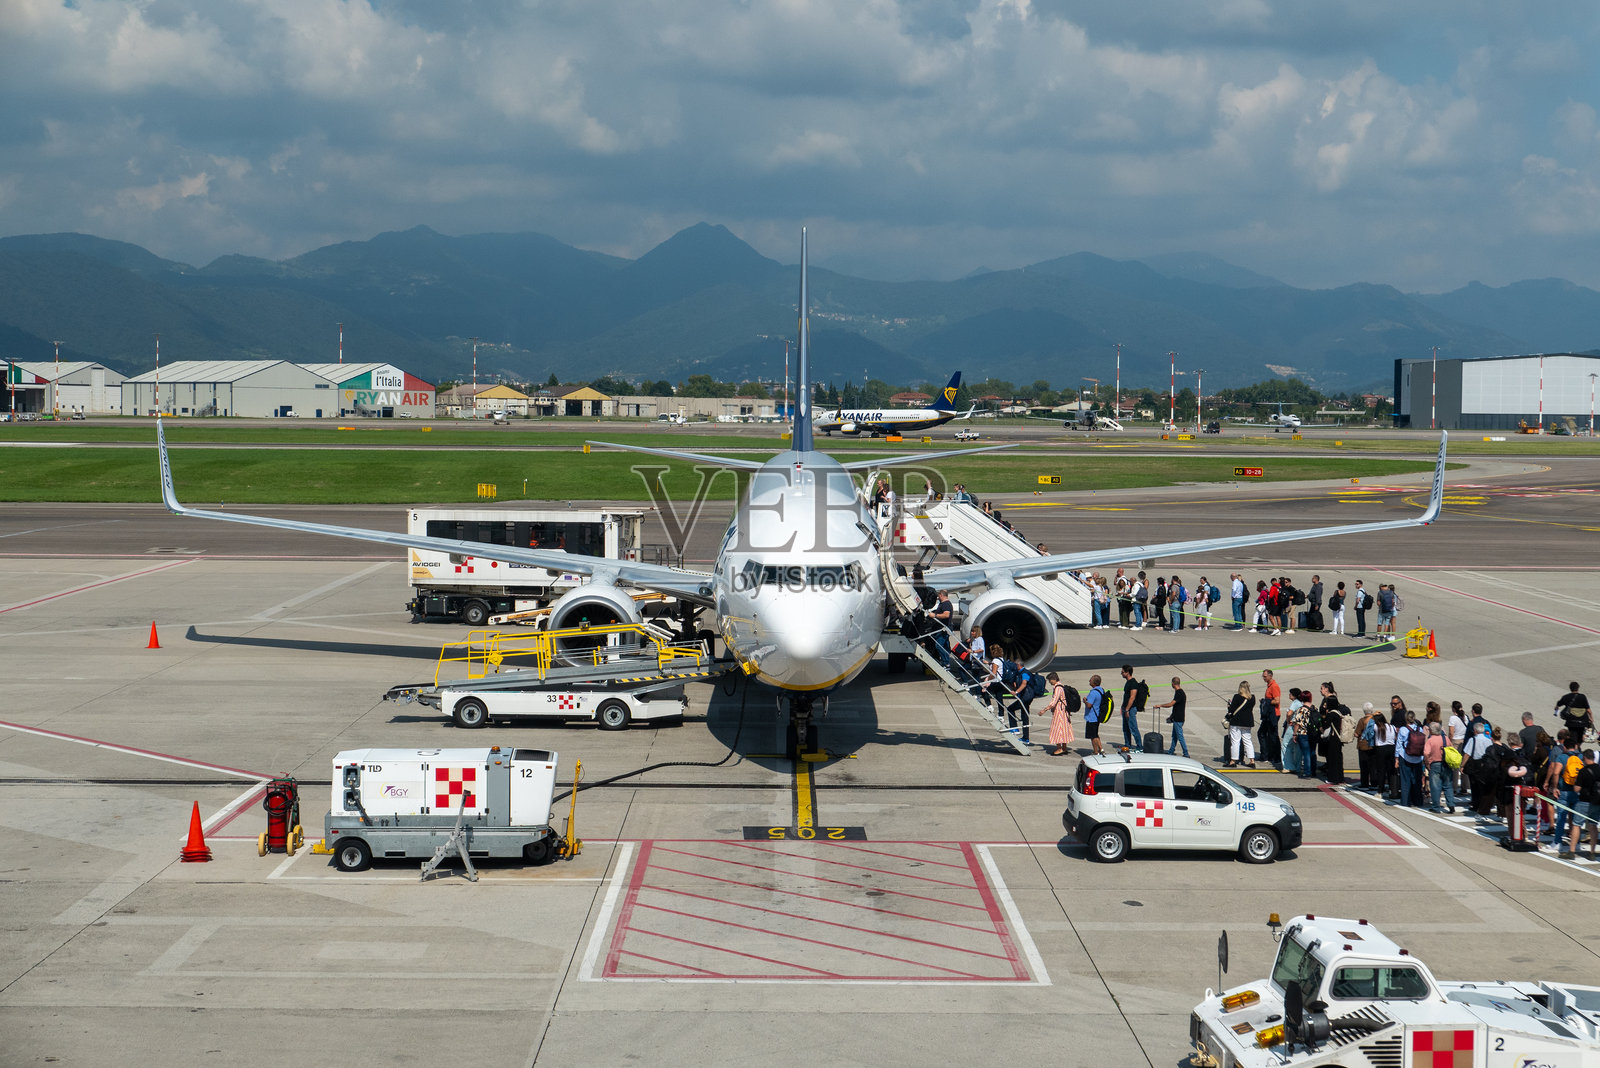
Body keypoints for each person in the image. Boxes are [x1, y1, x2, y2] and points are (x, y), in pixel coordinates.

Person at [1562, 749, 1599, 859]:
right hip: (1597, 802)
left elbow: (1577, 789)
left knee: (1577, 825)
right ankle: (1592, 852)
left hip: (1584, 801)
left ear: (1585, 758)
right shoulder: (1599, 769)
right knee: (1593, 826)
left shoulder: (1583, 771)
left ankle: (1572, 851)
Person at [1395, 704, 1426, 806]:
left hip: (1406, 757)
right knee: (1417, 781)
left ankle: (1405, 801)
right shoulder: (1420, 729)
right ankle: (1418, 801)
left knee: (1405, 780)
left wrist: (1396, 758)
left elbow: (1399, 745)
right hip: (1418, 758)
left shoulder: (1403, 730)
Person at [1424, 722, 1458, 813]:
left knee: (1435, 786)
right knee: (1448, 785)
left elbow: (1426, 753)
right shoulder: (1445, 738)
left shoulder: (1430, 740)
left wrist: (1427, 763)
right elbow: (1451, 748)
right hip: (1446, 764)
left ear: (1431, 731)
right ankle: (1451, 804)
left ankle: (1436, 807)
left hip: (1435, 764)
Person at [1152, 677, 1188, 757]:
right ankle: (1171, 751)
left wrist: (1160, 705)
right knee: (1174, 736)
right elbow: (1177, 707)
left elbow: (1171, 704)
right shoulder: (1179, 692)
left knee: (1180, 736)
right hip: (1176, 718)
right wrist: (1171, 716)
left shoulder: (1179, 693)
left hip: (1178, 719)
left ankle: (1186, 753)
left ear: (1173, 683)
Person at [1225, 681, 1256, 767]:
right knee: (1248, 741)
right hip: (1247, 722)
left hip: (1237, 722)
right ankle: (1252, 760)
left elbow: (1232, 710)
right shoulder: (1252, 698)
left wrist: (1229, 707)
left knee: (1235, 742)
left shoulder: (1237, 697)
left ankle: (1233, 761)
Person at [1046, 672, 1077, 756]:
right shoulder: (1061, 686)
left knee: (1057, 729)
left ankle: (1059, 749)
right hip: (1064, 711)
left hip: (1059, 712)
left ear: (1054, 679)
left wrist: (1045, 709)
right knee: (1063, 729)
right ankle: (1064, 747)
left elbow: (1054, 701)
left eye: (1050, 680)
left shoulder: (1058, 688)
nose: (1050, 682)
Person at [1258, 669, 1283, 769]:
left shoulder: (1274, 686)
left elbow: (1277, 701)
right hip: (1268, 714)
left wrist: (1266, 701)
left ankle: (1276, 756)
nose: (1263, 678)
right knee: (1262, 733)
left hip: (1273, 715)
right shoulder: (1269, 686)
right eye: (1263, 676)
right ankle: (1266, 754)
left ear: (1270, 676)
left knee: (1273, 736)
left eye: (1265, 676)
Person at [1119, 664, 1147, 749]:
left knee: (1133, 728)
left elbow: (1132, 697)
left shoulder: (1133, 683)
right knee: (1125, 728)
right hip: (1125, 708)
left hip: (1130, 709)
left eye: (1122, 672)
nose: (1121, 673)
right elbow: (1126, 696)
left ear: (1127, 673)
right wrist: (1122, 707)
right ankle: (1127, 744)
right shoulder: (1128, 682)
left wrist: (1127, 710)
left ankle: (1139, 746)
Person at [1370, 711, 1396, 797]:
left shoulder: (1376, 727)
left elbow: (1368, 726)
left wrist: (1372, 715)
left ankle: (1380, 791)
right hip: (1391, 748)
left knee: (1381, 771)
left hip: (1381, 749)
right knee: (1391, 770)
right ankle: (1391, 789)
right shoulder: (1392, 727)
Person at [1083, 673, 1108, 756]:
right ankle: (1101, 749)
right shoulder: (1101, 690)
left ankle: (1095, 751)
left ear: (1094, 682)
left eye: (1091, 679)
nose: (1089, 681)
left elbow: (1089, 705)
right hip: (1097, 716)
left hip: (1092, 717)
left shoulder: (1093, 693)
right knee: (1095, 734)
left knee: (1093, 736)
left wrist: (1085, 701)